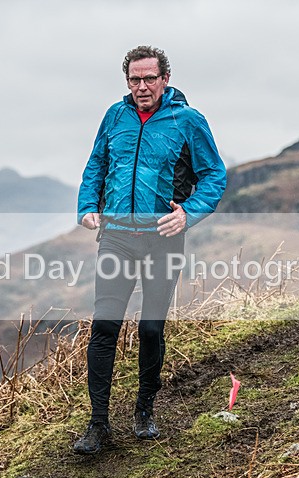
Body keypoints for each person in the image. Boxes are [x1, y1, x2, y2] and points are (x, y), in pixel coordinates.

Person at [74, 45, 226, 454]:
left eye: (149, 79)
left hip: (163, 237)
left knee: (150, 327)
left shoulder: (187, 120)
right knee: (105, 326)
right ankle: (99, 424)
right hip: (117, 236)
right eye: (134, 79)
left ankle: (144, 410)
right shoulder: (115, 116)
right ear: (127, 81)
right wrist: (88, 205)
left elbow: (214, 175)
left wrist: (189, 213)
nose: (142, 86)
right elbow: (97, 165)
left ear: (165, 80)